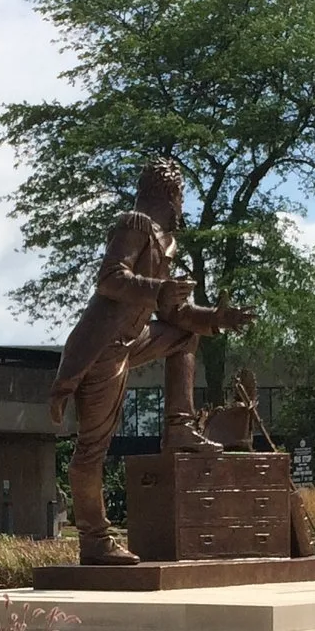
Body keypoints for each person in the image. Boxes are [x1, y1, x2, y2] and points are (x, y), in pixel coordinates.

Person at [48, 157, 251, 565]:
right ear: (171, 195)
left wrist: (217, 318)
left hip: (132, 341)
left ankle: (179, 425)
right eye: (181, 196)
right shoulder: (133, 224)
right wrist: (160, 289)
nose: (183, 207)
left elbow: (175, 317)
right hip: (103, 349)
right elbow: (109, 278)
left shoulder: (163, 242)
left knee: (185, 335)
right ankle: (95, 539)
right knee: (91, 450)